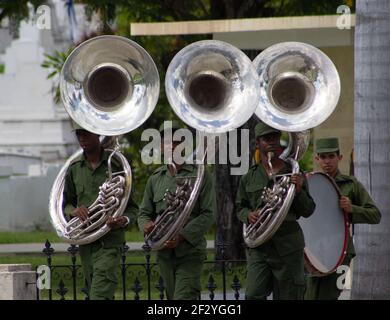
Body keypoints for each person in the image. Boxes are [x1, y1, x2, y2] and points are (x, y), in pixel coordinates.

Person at [236, 122, 316, 300]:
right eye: (266, 138)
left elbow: (309, 210)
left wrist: (298, 191)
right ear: (258, 143)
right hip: (260, 248)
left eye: (274, 137)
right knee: (252, 295)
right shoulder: (249, 176)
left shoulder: (294, 173)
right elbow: (240, 207)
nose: (271, 141)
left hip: (288, 245)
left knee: (290, 296)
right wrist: (248, 215)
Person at [138, 120, 216, 300]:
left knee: (184, 297)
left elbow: (208, 213)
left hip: (190, 251)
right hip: (164, 254)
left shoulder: (201, 175)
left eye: (176, 141)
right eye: (166, 142)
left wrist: (181, 236)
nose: (171, 146)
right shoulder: (155, 178)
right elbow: (143, 213)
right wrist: (146, 225)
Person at [63, 122, 138, 300]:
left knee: (99, 293)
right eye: (78, 134)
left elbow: (133, 208)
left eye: (86, 133)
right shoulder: (74, 169)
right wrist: (73, 211)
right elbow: (65, 204)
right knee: (97, 292)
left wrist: (122, 220)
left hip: (109, 242)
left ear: (97, 134)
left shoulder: (117, 166)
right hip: (86, 242)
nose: (82, 138)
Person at [304, 137, 381, 300]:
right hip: (313, 250)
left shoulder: (351, 184)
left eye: (331, 156)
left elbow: (375, 215)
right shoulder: (308, 184)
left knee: (330, 296)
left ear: (339, 158)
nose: (327, 162)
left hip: (342, 253)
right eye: (323, 157)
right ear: (317, 159)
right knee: (308, 296)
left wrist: (351, 208)